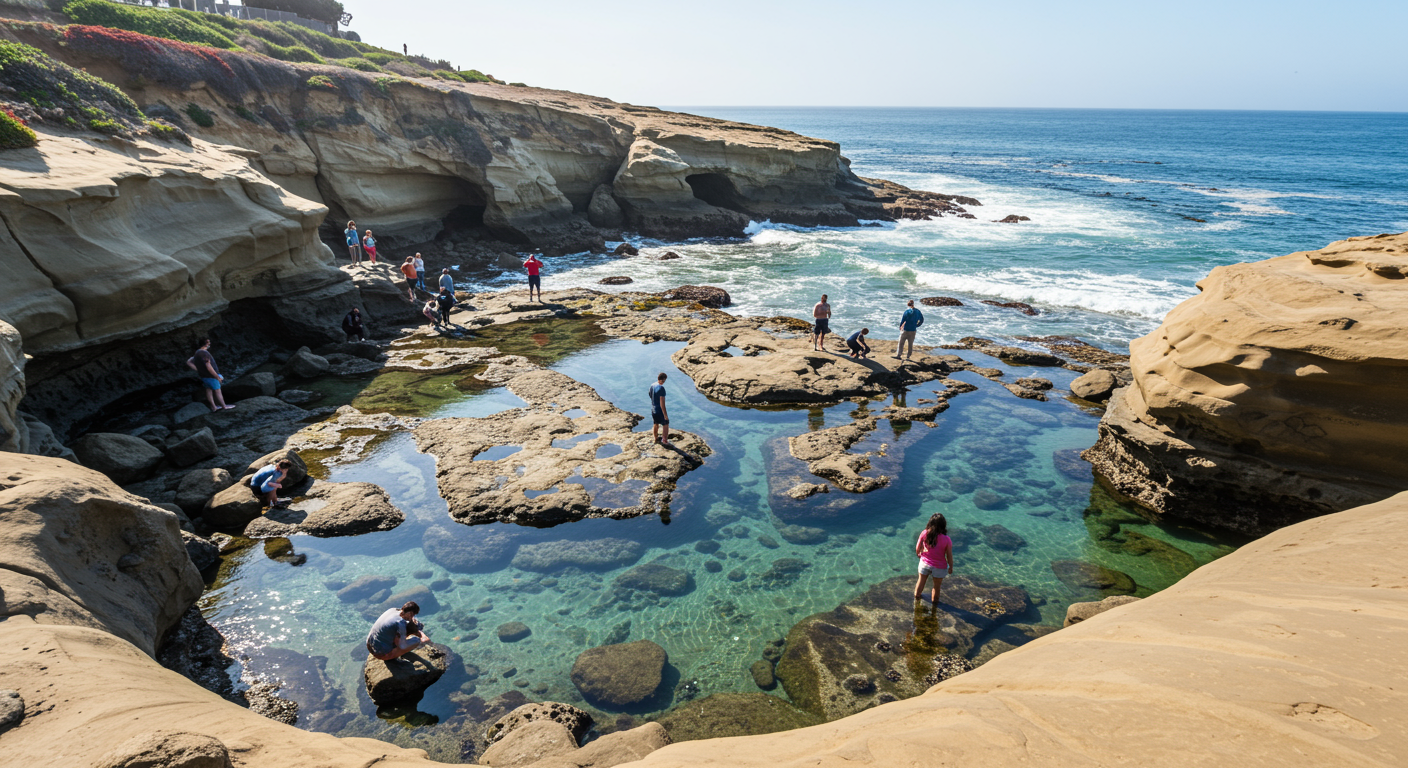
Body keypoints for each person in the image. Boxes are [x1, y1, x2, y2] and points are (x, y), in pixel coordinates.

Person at [914, 512, 954, 604]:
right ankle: (934, 607)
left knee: (921, 582)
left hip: (925, 563)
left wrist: (919, 555)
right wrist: (951, 567)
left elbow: (918, 547)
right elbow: (949, 555)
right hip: (939, 566)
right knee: (936, 587)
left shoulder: (924, 533)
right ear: (943, 525)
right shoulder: (947, 539)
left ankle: (916, 600)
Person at [186, 338, 234, 412]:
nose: (210, 344)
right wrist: (217, 377)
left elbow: (188, 362)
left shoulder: (197, 352)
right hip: (211, 376)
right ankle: (224, 406)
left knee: (208, 390)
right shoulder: (204, 353)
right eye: (209, 342)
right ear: (207, 344)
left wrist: (199, 370)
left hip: (204, 377)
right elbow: (209, 367)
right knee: (218, 390)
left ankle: (214, 407)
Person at [649, 372, 670, 446]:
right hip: (659, 410)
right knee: (666, 423)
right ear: (663, 379)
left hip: (653, 408)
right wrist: (665, 415)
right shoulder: (661, 388)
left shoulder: (652, 385)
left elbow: (650, 395)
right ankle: (664, 440)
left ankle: (655, 438)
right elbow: (662, 403)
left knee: (656, 423)